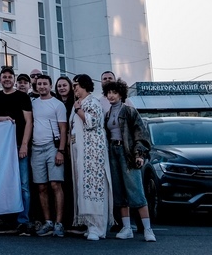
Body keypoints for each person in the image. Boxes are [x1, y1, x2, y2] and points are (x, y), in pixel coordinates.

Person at [103, 80, 155, 242]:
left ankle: (148, 229)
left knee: (136, 190)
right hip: (112, 152)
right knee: (119, 191)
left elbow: (141, 134)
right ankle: (126, 228)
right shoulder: (107, 113)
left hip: (127, 153)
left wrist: (139, 154)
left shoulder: (130, 111)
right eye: (109, 93)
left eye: (114, 92)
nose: (111, 96)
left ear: (121, 94)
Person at [0, 65, 33, 234]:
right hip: (1, 149)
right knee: (3, 183)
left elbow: (29, 122)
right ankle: (5, 220)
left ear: (14, 79)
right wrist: (4, 119)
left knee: (23, 185)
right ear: (0, 79)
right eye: (4, 77)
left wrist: (24, 144)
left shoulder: (23, 97)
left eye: (10, 77)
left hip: (19, 145)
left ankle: (23, 220)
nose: (7, 79)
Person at [70, 74, 111, 241]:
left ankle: (98, 228)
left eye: (76, 85)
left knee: (95, 188)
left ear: (85, 86)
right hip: (82, 152)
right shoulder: (80, 103)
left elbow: (92, 122)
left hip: (93, 154)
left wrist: (78, 110)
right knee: (84, 188)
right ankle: (90, 225)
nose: (74, 89)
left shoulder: (93, 102)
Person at [31, 75, 68, 238]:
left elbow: (63, 129)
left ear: (50, 85)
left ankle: (59, 223)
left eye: (45, 84)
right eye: (39, 84)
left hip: (53, 147)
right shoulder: (33, 103)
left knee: (55, 185)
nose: (42, 86)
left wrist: (61, 150)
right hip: (36, 148)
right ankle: (48, 222)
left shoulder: (58, 104)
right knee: (41, 187)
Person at [53, 76, 77, 230]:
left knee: (72, 183)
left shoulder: (75, 103)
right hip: (58, 146)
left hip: (73, 146)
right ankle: (65, 220)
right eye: (59, 86)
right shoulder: (55, 102)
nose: (62, 88)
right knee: (63, 183)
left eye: (64, 85)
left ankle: (75, 219)